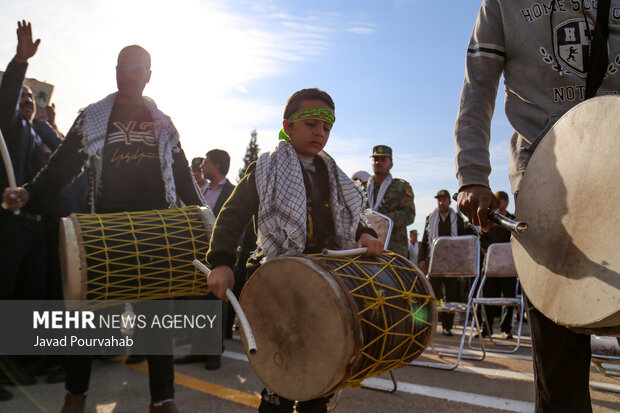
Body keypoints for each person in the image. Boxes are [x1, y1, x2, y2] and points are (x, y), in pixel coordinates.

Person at [3, 43, 203, 413]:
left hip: (156, 232)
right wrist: (29, 193)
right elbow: (63, 166)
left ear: (148, 75)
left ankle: (163, 400)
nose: (127, 74)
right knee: (90, 319)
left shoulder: (163, 124)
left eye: (135, 68)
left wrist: (204, 219)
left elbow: (181, 176)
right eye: (121, 68)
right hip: (105, 234)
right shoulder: (94, 116)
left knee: (156, 321)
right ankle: (75, 396)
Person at [454, 1, 620, 411]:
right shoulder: (501, 5)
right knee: (559, 361)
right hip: (546, 184)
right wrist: (472, 175)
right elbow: (477, 90)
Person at [206, 88, 383, 413]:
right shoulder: (265, 169)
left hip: (324, 283)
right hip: (278, 282)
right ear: (288, 126)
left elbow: (348, 215)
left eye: (327, 127)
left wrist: (365, 234)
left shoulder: (333, 175)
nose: (320, 132)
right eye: (312, 123)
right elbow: (231, 216)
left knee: (321, 375)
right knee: (282, 374)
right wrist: (220, 262)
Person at [0, 20, 65, 397]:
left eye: (32, 99)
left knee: (31, 298)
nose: (28, 102)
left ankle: (19, 363)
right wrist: (20, 62)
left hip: (37, 231)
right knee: (5, 297)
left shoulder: (37, 134)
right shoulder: (8, 129)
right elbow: (7, 97)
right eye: (22, 99)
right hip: (9, 226)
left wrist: (49, 124)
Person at [175, 149, 234, 370]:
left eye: (207, 162)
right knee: (196, 304)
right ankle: (196, 349)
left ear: (217, 165)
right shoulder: (201, 190)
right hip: (197, 256)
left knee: (215, 305)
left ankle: (213, 353)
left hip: (218, 257)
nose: (202, 166)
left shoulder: (232, 192)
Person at [418, 189, 468, 336]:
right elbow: (425, 240)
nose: (441, 202)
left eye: (444, 200)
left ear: (449, 201)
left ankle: (447, 325)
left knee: (451, 295)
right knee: (431, 293)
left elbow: (462, 242)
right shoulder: (430, 218)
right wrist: (422, 259)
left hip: (452, 264)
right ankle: (428, 324)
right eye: (439, 200)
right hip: (434, 262)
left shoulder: (457, 219)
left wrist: (461, 262)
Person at [478, 191, 517, 339]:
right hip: (489, 265)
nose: (497, 203)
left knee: (508, 299)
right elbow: (482, 238)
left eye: (500, 200)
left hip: (508, 266)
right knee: (487, 298)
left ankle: (506, 329)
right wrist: (488, 251)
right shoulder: (488, 219)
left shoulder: (512, 220)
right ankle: (485, 328)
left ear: (506, 202)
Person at [365, 145, 415, 256]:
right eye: (375, 159)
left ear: (391, 164)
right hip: (367, 244)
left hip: (393, 248)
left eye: (383, 159)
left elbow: (409, 215)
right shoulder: (363, 188)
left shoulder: (401, 187)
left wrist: (382, 219)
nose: (378, 162)